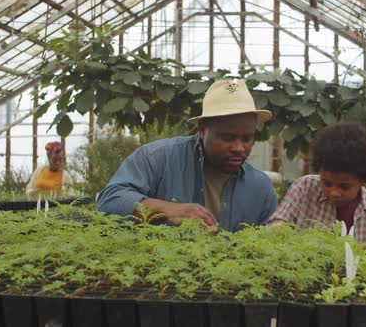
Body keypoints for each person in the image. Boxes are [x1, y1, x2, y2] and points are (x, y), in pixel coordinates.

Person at [97, 79, 278, 231]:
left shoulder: (260, 188)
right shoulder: (158, 158)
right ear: (203, 130)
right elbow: (109, 202)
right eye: (228, 138)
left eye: (247, 138)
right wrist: (167, 209)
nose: (239, 148)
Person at [267, 121, 366, 244]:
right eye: (327, 183)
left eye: (344, 187)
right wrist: (281, 233)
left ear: (363, 181)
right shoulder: (304, 188)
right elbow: (277, 223)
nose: (334, 193)